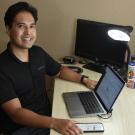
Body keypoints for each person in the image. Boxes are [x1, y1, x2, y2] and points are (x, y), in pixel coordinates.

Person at [0, 2, 97, 135]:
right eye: (21, 26)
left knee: (88, 127)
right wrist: (54, 122)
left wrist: (84, 80)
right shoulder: (2, 67)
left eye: (32, 26)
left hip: (47, 117)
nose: (28, 32)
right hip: (21, 128)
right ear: (8, 29)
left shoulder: (38, 52)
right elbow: (16, 113)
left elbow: (59, 70)